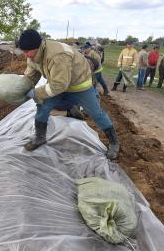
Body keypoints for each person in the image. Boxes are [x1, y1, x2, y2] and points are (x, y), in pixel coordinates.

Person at [17, 29, 120, 159]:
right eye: (24, 52)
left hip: (80, 85)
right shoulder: (33, 56)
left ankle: (114, 142)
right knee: (43, 106)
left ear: (37, 47)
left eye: (27, 52)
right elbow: (30, 76)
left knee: (95, 112)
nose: (26, 55)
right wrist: (21, 89)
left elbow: (59, 85)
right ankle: (40, 138)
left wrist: (35, 93)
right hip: (60, 83)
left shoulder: (57, 55)